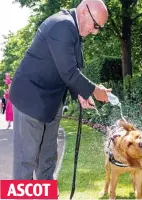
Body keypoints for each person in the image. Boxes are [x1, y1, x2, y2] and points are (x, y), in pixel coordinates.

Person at [9, 0, 112, 180]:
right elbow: (69, 72)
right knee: (26, 161)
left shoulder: (73, 29)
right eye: (96, 25)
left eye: (100, 28)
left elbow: (68, 69)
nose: (95, 32)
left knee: (48, 160)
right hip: (30, 99)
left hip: (52, 102)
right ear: (84, 12)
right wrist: (96, 91)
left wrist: (79, 93)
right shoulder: (62, 25)